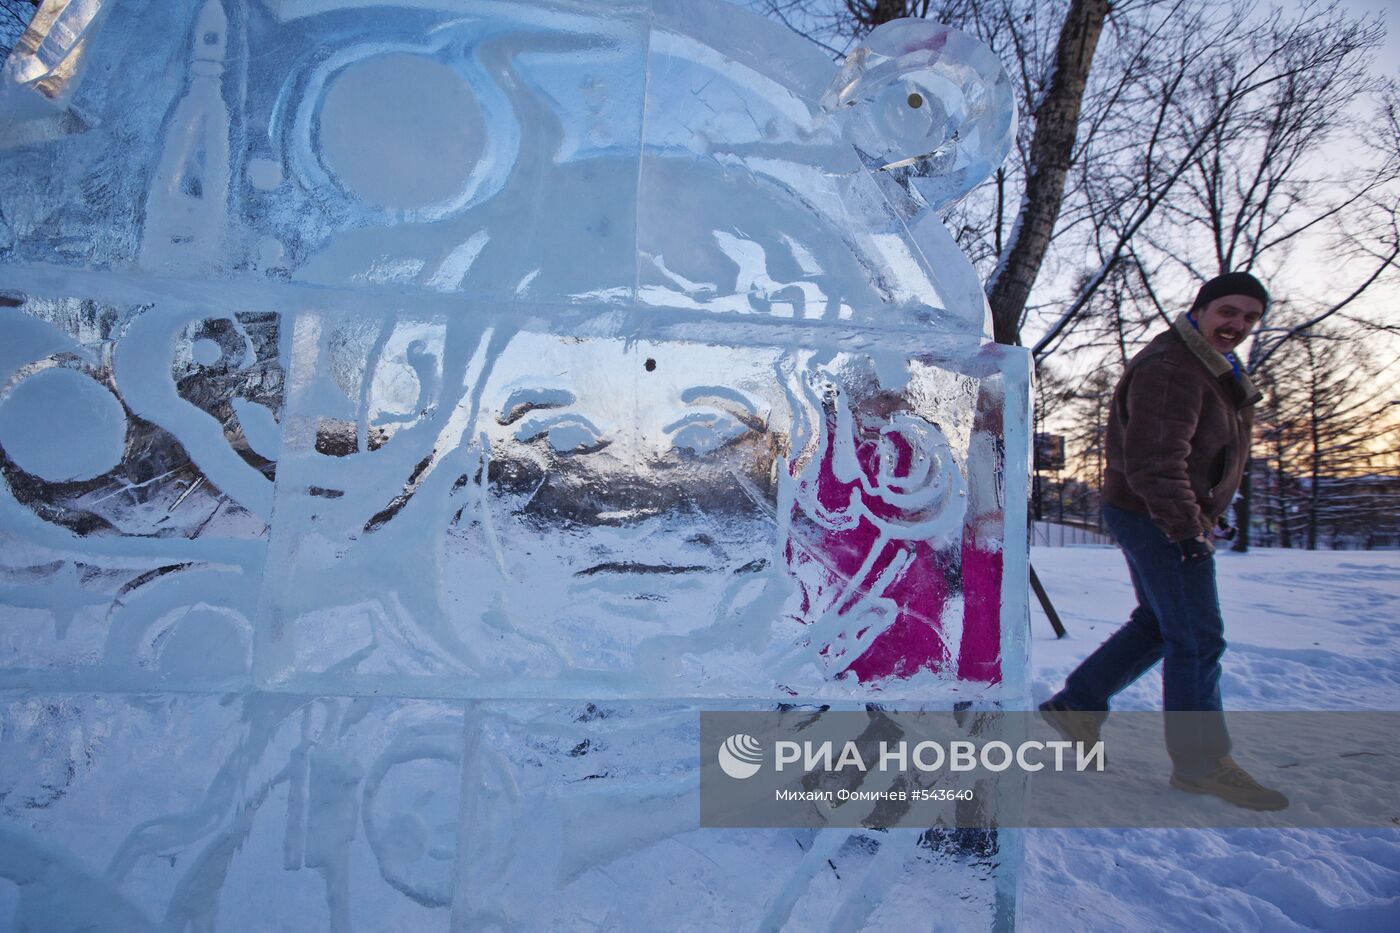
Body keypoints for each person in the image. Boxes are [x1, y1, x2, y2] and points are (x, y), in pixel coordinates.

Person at [1039, 272, 1288, 811]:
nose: (1237, 325)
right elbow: (1156, 461)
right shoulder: (1174, 368)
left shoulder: (1207, 365)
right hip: (1158, 514)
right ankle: (1202, 766)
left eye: (1249, 317)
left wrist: (1207, 512)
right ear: (1199, 310)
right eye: (1228, 311)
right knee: (1197, 637)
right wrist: (1187, 529)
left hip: (1160, 512)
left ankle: (1077, 704)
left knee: (1159, 623)